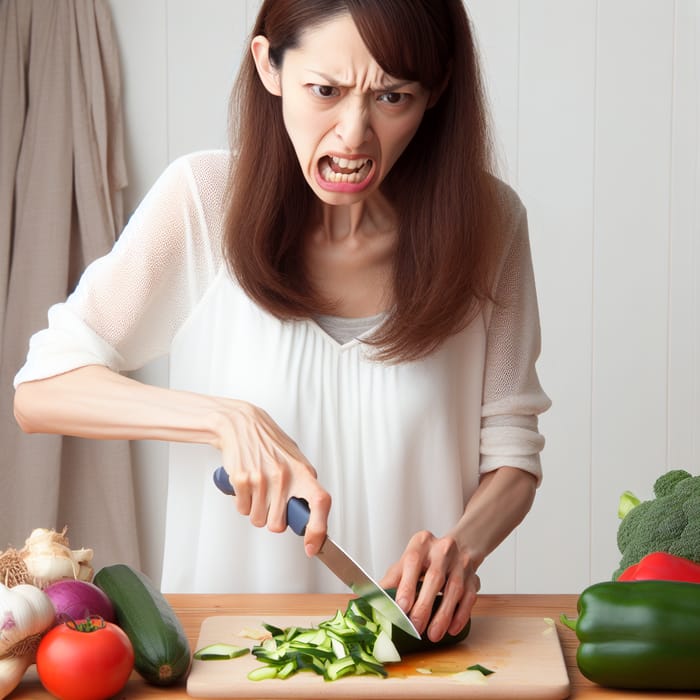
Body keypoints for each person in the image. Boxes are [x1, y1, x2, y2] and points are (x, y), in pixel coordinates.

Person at [13, 0, 550, 643]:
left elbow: (512, 453)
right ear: (269, 66)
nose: (354, 133)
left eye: (392, 97)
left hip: (417, 660)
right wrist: (224, 419)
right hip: (228, 654)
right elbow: (40, 390)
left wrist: (460, 551)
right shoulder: (204, 201)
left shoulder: (489, 225)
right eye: (325, 90)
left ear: (435, 92)